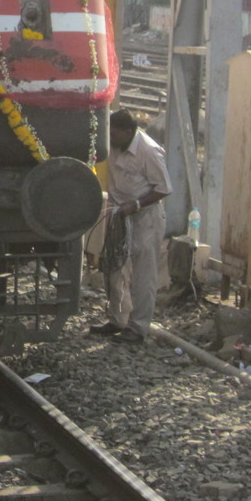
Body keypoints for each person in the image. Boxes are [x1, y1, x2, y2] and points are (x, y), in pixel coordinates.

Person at [88, 109, 171, 345]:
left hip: (145, 216)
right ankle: (118, 319)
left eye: (114, 135)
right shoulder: (113, 146)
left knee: (142, 275)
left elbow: (164, 188)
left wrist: (136, 204)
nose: (111, 140)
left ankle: (138, 327)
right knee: (114, 268)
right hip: (119, 213)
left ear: (128, 132)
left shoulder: (149, 150)